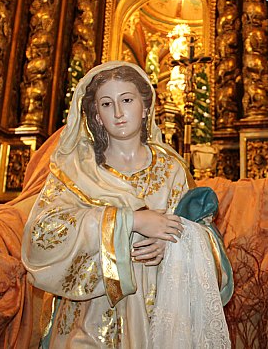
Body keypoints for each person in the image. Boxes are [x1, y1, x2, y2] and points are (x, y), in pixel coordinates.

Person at [21, 61, 233, 348]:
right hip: (91, 319)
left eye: (127, 100)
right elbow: (42, 234)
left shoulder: (172, 169)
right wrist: (130, 221)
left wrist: (174, 244)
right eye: (107, 104)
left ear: (145, 107)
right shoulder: (77, 170)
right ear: (96, 114)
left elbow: (206, 236)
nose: (118, 113)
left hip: (160, 312)